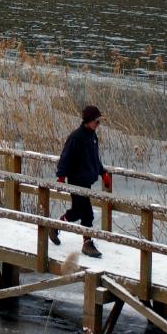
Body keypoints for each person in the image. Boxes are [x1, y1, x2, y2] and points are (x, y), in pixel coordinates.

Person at [49, 105, 112, 258]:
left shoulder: (93, 137)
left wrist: (102, 172)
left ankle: (56, 226)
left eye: (99, 122)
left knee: (78, 212)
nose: (98, 125)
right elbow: (66, 157)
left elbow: (94, 159)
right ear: (89, 121)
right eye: (96, 122)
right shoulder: (76, 137)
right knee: (87, 213)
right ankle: (87, 243)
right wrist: (61, 176)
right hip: (76, 180)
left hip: (86, 180)